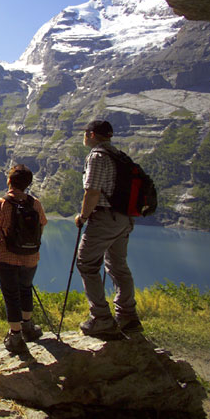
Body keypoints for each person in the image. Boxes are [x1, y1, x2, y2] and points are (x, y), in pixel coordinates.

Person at [74, 120, 143, 335]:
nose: (84, 137)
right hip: (124, 220)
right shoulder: (119, 156)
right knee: (117, 264)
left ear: (92, 134)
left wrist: (83, 216)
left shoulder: (97, 156)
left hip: (104, 219)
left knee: (86, 263)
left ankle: (101, 317)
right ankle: (128, 317)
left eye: (85, 133)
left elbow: (92, 192)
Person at [0, 164, 48, 353]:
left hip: (5, 258)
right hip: (30, 257)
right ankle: (28, 327)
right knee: (25, 289)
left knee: (11, 295)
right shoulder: (35, 203)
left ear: (9, 181)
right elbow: (42, 227)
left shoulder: (0, 204)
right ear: (28, 184)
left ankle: (15, 336)